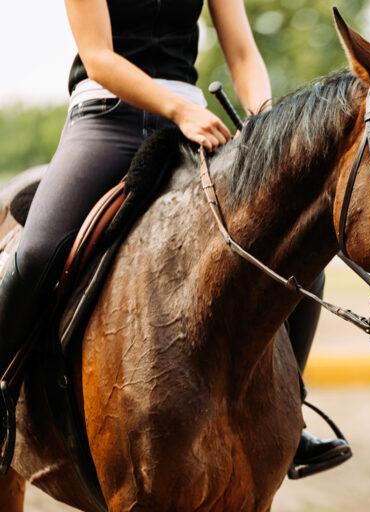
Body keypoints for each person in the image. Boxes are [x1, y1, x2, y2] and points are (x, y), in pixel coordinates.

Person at [0, 0, 349, 476]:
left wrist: (268, 127)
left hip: (194, 125)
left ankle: (294, 413)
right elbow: (99, 57)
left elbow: (243, 55)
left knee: (296, 252)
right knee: (39, 252)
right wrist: (178, 108)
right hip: (107, 117)